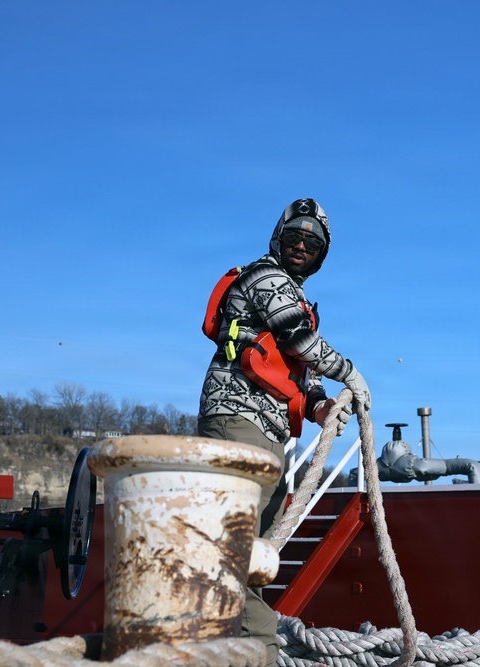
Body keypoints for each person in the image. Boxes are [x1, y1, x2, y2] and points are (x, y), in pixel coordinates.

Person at [197, 198, 370, 666]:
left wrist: (321, 407)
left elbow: (296, 373)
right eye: (294, 236)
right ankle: (261, 650)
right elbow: (297, 338)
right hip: (238, 423)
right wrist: (350, 373)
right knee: (234, 551)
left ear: (321, 255)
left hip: (270, 433)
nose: (301, 246)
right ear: (278, 238)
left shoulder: (296, 297)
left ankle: (238, 649)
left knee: (255, 556)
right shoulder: (266, 278)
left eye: (312, 243)